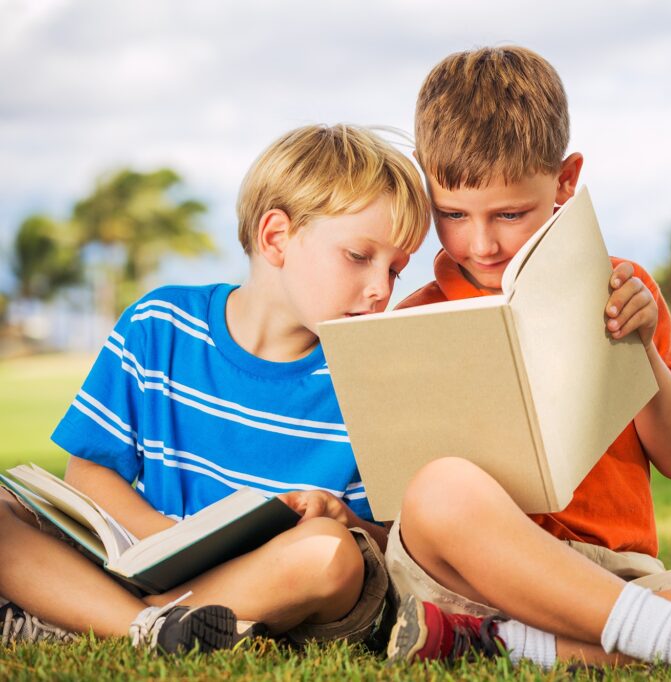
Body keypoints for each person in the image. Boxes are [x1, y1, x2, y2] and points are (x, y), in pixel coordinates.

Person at [384, 47, 671, 681]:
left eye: (509, 214)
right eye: (453, 215)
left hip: (615, 573)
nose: (480, 243)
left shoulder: (623, 289)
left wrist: (639, 347)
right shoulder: (416, 316)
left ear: (566, 181)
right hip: (477, 577)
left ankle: (505, 645)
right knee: (438, 489)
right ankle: (666, 638)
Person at [0, 124, 430, 653]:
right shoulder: (161, 324)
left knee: (329, 554)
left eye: (396, 270)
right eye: (360, 257)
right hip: (148, 555)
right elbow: (89, 471)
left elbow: (392, 547)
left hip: (281, 578)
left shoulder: (369, 379)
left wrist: (347, 520)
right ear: (276, 238)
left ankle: (103, 618)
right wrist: (165, 540)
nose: (380, 289)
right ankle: (155, 627)